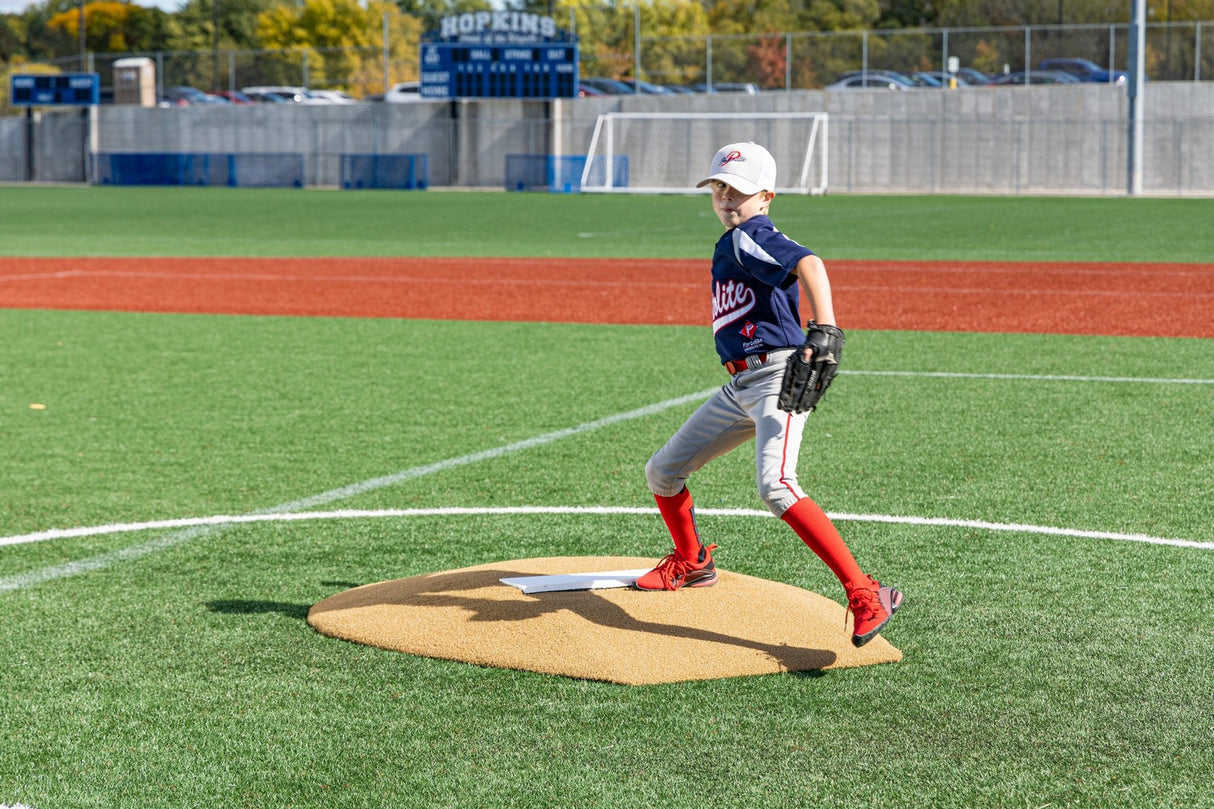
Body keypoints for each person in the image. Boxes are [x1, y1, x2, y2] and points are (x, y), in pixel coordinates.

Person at [634, 141, 903, 648]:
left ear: (766, 196)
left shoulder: (752, 234)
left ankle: (866, 592)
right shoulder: (735, 239)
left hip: (777, 375)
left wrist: (825, 328)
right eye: (719, 188)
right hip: (741, 385)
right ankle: (692, 562)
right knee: (663, 471)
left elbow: (812, 264)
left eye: (738, 191)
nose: (726, 199)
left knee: (776, 486)